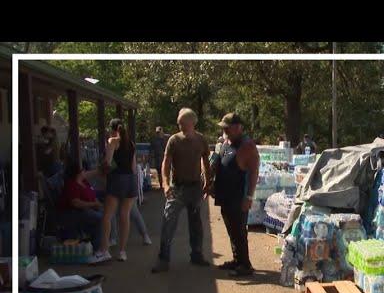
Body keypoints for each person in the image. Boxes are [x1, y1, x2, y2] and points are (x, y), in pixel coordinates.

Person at [151, 108, 211, 273]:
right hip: (177, 188)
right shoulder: (174, 140)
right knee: (168, 222)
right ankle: (163, 259)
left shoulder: (201, 140)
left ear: (192, 123)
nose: (179, 125)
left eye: (182, 123)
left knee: (196, 223)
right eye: (179, 123)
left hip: (195, 187)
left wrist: (208, 181)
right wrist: (165, 183)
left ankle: (197, 255)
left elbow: (205, 161)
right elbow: (166, 163)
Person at [213, 112, 260, 277]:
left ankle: (245, 265)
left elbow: (254, 172)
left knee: (239, 231)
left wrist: (249, 197)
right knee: (231, 229)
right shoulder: (226, 142)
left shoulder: (247, 146)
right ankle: (237, 259)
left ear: (238, 127)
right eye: (223, 128)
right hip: (225, 195)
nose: (224, 130)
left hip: (238, 196)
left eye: (227, 127)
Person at [89, 118, 138, 264]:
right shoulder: (131, 144)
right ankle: (122, 252)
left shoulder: (112, 141)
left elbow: (107, 163)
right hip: (130, 181)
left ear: (112, 129)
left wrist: (97, 172)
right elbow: (134, 167)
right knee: (125, 216)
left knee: (107, 216)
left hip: (117, 180)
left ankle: (104, 250)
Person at [58, 159, 104, 251]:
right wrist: (93, 204)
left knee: (106, 215)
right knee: (100, 218)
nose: (84, 171)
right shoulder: (71, 184)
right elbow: (76, 203)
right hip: (73, 213)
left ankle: (103, 242)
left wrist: (96, 203)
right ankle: (97, 248)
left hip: (87, 210)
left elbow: (92, 194)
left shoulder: (84, 182)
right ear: (78, 172)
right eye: (83, 170)